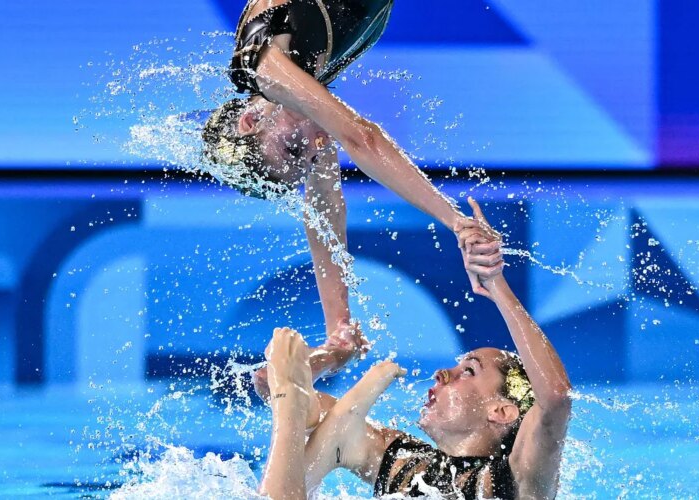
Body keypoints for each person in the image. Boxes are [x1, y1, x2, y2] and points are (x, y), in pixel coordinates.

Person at [204, 0, 492, 384]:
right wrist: (339, 328)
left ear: (251, 119)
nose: (318, 144)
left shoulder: (266, 68)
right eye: (305, 158)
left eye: (294, 148)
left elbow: (362, 138)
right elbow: (323, 212)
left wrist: (455, 222)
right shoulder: (297, 116)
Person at [260, 199, 573, 499]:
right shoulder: (400, 460)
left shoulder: (517, 483)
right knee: (315, 413)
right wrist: (332, 355)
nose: (441, 374)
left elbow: (556, 398)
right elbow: (273, 387)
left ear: (501, 411)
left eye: (469, 371)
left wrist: (496, 282)